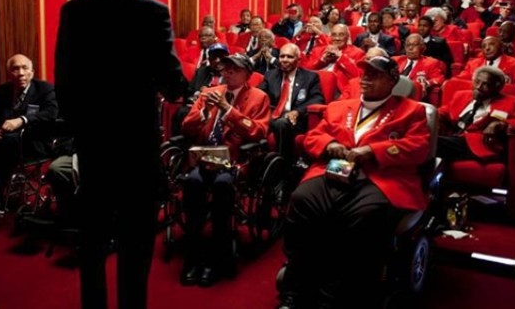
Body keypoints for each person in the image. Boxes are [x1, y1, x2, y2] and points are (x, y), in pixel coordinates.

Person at [55, 0, 186, 309]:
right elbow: (173, 84)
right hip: (136, 147)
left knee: (92, 240)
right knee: (134, 243)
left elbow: (63, 83)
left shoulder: (74, 10)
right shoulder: (153, 10)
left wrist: (82, 132)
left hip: (93, 145)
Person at [277, 56, 430, 309]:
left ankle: (336, 294)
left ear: (393, 80)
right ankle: (295, 289)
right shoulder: (340, 106)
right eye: (364, 73)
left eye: (375, 74)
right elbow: (313, 136)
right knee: (301, 200)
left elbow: (418, 148)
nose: (366, 78)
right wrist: (330, 144)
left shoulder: (412, 110)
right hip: (335, 171)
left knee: (363, 216)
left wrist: (373, 150)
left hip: (380, 178)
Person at [180, 53, 270, 287]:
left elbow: (258, 132)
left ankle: (216, 259)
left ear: (247, 75)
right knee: (193, 182)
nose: (227, 72)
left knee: (222, 185)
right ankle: (193, 257)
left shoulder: (259, 97)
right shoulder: (210, 92)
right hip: (203, 156)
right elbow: (186, 127)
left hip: (234, 159)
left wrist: (229, 111)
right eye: (226, 68)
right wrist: (203, 113)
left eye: (234, 69)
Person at [0, 54, 58, 209]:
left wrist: (21, 120)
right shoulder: (1, 92)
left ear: (32, 72)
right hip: (5, 141)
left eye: (25, 68)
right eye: (15, 69)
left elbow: (51, 113)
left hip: (36, 141)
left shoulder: (45, 89)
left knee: (4, 143)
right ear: (9, 73)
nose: (21, 73)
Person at [258, 43, 324, 166]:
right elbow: (259, 95)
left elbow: (317, 99)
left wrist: (297, 112)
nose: (284, 60)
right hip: (271, 118)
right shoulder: (270, 75)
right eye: (282, 56)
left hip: (296, 121)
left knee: (282, 123)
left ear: (298, 60)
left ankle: (283, 166)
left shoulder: (310, 77)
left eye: (289, 57)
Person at [438, 66, 515, 163]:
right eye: (477, 82)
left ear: (497, 87)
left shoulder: (511, 102)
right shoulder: (461, 95)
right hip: (453, 138)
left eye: (485, 84)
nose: (478, 87)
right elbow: (443, 111)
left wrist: (501, 124)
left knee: (431, 143)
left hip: (479, 145)